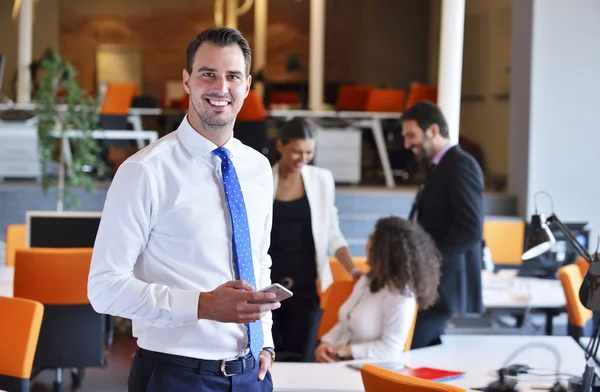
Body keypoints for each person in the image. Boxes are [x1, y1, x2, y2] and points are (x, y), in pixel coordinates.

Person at [88, 28, 279, 392]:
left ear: (247, 84)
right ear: (187, 81)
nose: (221, 87)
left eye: (233, 76)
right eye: (208, 74)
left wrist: (265, 340)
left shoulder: (257, 168)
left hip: (252, 374)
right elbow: (103, 289)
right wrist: (202, 305)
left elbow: (258, 259)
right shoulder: (144, 171)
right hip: (174, 376)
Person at [269, 117, 362, 362]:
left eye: (309, 152)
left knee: (302, 356)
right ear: (280, 146)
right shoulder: (263, 179)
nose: (303, 159)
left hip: (306, 284)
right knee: (269, 356)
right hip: (268, 284)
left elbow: (332, 231)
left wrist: (352, 269)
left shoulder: (321, 180)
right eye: (296, 152)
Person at [401, 100, 485, 349]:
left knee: (414, 345)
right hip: (433, 281)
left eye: (411, 135)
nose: (407, 144)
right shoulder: (439, 166)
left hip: (444, 281)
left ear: (433, 131)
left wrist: (430, 259)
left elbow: (470, 228)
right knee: (419, 348)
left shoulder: (460, 164)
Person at [314, 216, 441, 362]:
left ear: (385, 252)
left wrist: (342, 351)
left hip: (366, 369)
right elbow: (344, 324)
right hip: (337, 363)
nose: (367, 246)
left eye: (372, 242)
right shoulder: (367, 280)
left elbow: (391, 348)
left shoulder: (400, 295)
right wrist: (326, 344)